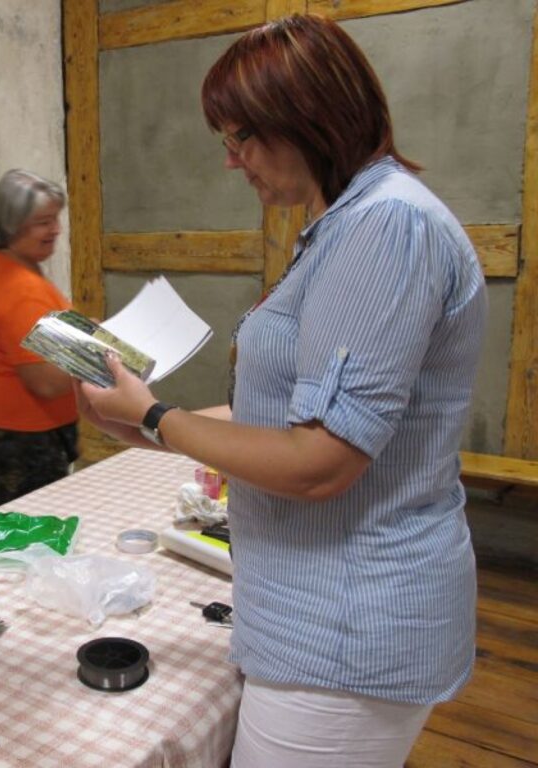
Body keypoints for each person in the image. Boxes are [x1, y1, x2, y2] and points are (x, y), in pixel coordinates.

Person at [76, 15, 486, 768]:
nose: (234, 162)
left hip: (346, 629)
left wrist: (161, 417)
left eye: (243, 139)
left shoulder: (383, 227)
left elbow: (321, 461)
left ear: (312, 122)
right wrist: (152, 423)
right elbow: (291, 412)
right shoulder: (346, 223)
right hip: (317, 611)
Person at [0, 169, 78, 523]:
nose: (55, 230)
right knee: (18, 532)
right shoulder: (20, 288)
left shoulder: (4, 266)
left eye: (56, 219)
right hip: (17, 440)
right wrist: (100, 353)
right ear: (11, 224)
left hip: (0, 426)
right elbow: (47, 381)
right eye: (43, 222)